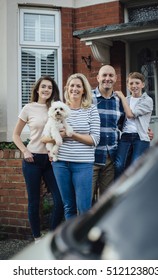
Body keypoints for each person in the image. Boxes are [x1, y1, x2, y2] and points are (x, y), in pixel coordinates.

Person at [12, 76, 64, 243]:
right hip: (32, 160)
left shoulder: (56, 107)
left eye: (49, 87)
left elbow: (63, 129)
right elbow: (15, 135)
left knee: (60, 199)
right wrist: (25, 151)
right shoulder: (28, 108)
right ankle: (37, 238)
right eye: (43, 87)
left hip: (51, 159)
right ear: (37, 89)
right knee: (34, 201)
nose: (46, 90)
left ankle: (52, 235)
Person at [51, 73, 100, 220]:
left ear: (84, 90)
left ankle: (85, 241)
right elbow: (46, 136)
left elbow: (94, 139)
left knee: (84, 207)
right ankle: (72, 241)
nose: (75, 89)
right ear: (67, 88)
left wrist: (71, 134)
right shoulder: (58, 109)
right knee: (69, 206)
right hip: (60, 163)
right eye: (72, 85)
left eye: (78, 86)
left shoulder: (91, 110)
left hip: (83, 164)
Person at [92, 65, 125, 201]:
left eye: (111, 75)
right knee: (85, 202)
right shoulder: (88, 98)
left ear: (116, 78)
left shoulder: (120, 101)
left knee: (105, 202)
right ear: (98, 78)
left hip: (111, 157)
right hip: (90, 157)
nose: (107, 78)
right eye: (104, 75)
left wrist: (145, 130)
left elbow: (125, 125)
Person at [114, 72, 153, 178]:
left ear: (142, 85)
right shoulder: (126, 100)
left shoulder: (147, 100)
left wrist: (121, 97)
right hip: (125, 136)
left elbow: (130, 115)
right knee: (119, 165)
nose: (134, 86)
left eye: (137, 83)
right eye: (131, 83)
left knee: (136, 167)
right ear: (128, 85)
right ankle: (118, 192)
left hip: (140, 138)